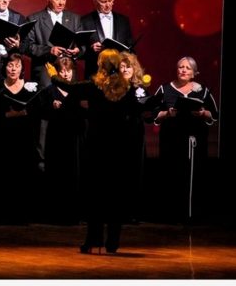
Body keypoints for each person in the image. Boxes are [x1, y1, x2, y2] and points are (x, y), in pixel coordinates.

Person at [47, 48, 147, 254]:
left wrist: (54, 75)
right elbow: (135, 111)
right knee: (115, 196)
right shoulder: (126, 87)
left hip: (97, 146)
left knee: (96, 196)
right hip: (118, 148)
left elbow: (70, 87)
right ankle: (112, 242)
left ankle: (93, 240)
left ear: (102, 65)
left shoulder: (95, 85)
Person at [23, 0, 81, 176]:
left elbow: (82, 45)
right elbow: (27, 46)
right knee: (45, 120)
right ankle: (42, 164)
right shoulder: (35, 18)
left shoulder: (74, 19)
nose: (61, 2)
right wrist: (50, 50)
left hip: (69, 75)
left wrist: (78, 50)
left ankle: (68, 160)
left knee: (69, 115)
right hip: (46, 75)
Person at [153, 56, 218, 222]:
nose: (183, 70)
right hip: (171, 141)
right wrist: (167, 113)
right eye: (181, 67)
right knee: (171, 176)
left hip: (194, 141)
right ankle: (171, 214)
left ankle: (193, 214)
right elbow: (153, 114)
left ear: (194, 73)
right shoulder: (164, 89)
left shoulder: (202, 90)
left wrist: (203, 113)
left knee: (194, 177)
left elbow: (213, 114)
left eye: (188, 68)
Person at [0, 53, 40, 224]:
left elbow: (37, 112)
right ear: (5, 67)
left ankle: (22, 214)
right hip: (2, 139)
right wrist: (8, 115)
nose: (13, 69)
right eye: (10, 65)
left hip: (24, 139)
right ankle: (2, 214)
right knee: (3, 175)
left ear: (22, 69)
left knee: (22, 175)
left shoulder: (31, 88)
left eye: (17, 66)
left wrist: (22, 113)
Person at [42, 57, 85, 224]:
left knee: (74, 172)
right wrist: (51, 107)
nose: (66, 74)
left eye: (69, 71)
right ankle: (56, 213)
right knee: (57, 172)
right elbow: (43, 113)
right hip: (57, 137)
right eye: (62, 71)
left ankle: (74, 213)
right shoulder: (50, 91)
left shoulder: (78, 90)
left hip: (74, 136)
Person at [120, 51, 152, 222]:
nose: (126, 69)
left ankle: (133, 212)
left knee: (134, 170)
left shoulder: (140, 89)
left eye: (129, 66)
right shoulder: (113, 88)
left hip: (135, 132)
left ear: (135, 69)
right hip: (117, 133)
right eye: (122, 66)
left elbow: (148, 112)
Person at [80, 0, 133, 80]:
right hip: (95, 75)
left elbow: (131, 48)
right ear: (95, 2)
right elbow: (79, 52)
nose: (108, 5)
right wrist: (91, 49)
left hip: (119, 75)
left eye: (110, 1)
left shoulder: (123, 21)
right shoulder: (85, 21)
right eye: (104, 2)